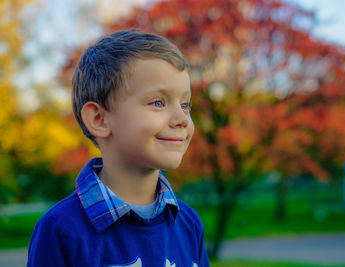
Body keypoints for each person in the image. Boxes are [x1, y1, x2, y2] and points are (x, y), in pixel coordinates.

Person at [27, 29, 209, 267]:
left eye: (185, 105)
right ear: (100, 120)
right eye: (158, 102)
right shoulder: (61, 230)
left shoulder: (189, 223)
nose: (182, 118)